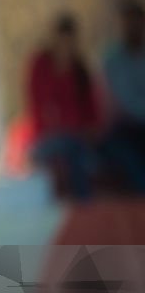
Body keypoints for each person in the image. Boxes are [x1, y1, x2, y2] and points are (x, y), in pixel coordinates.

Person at [26, 13, 101, 200]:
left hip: (77, 137)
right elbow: (40, 105)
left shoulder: (80, 70)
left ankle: (84, 205)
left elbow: (90, 113)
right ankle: (83, 201)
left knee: (77, 148)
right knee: (71, 148)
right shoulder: (40, 65)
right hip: (47, 138)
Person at [100, 0, 145, 193]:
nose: (130, 27)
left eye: (135, 22)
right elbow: (124, 100)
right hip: (123, 128)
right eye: (126, 23)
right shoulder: (112, 59)